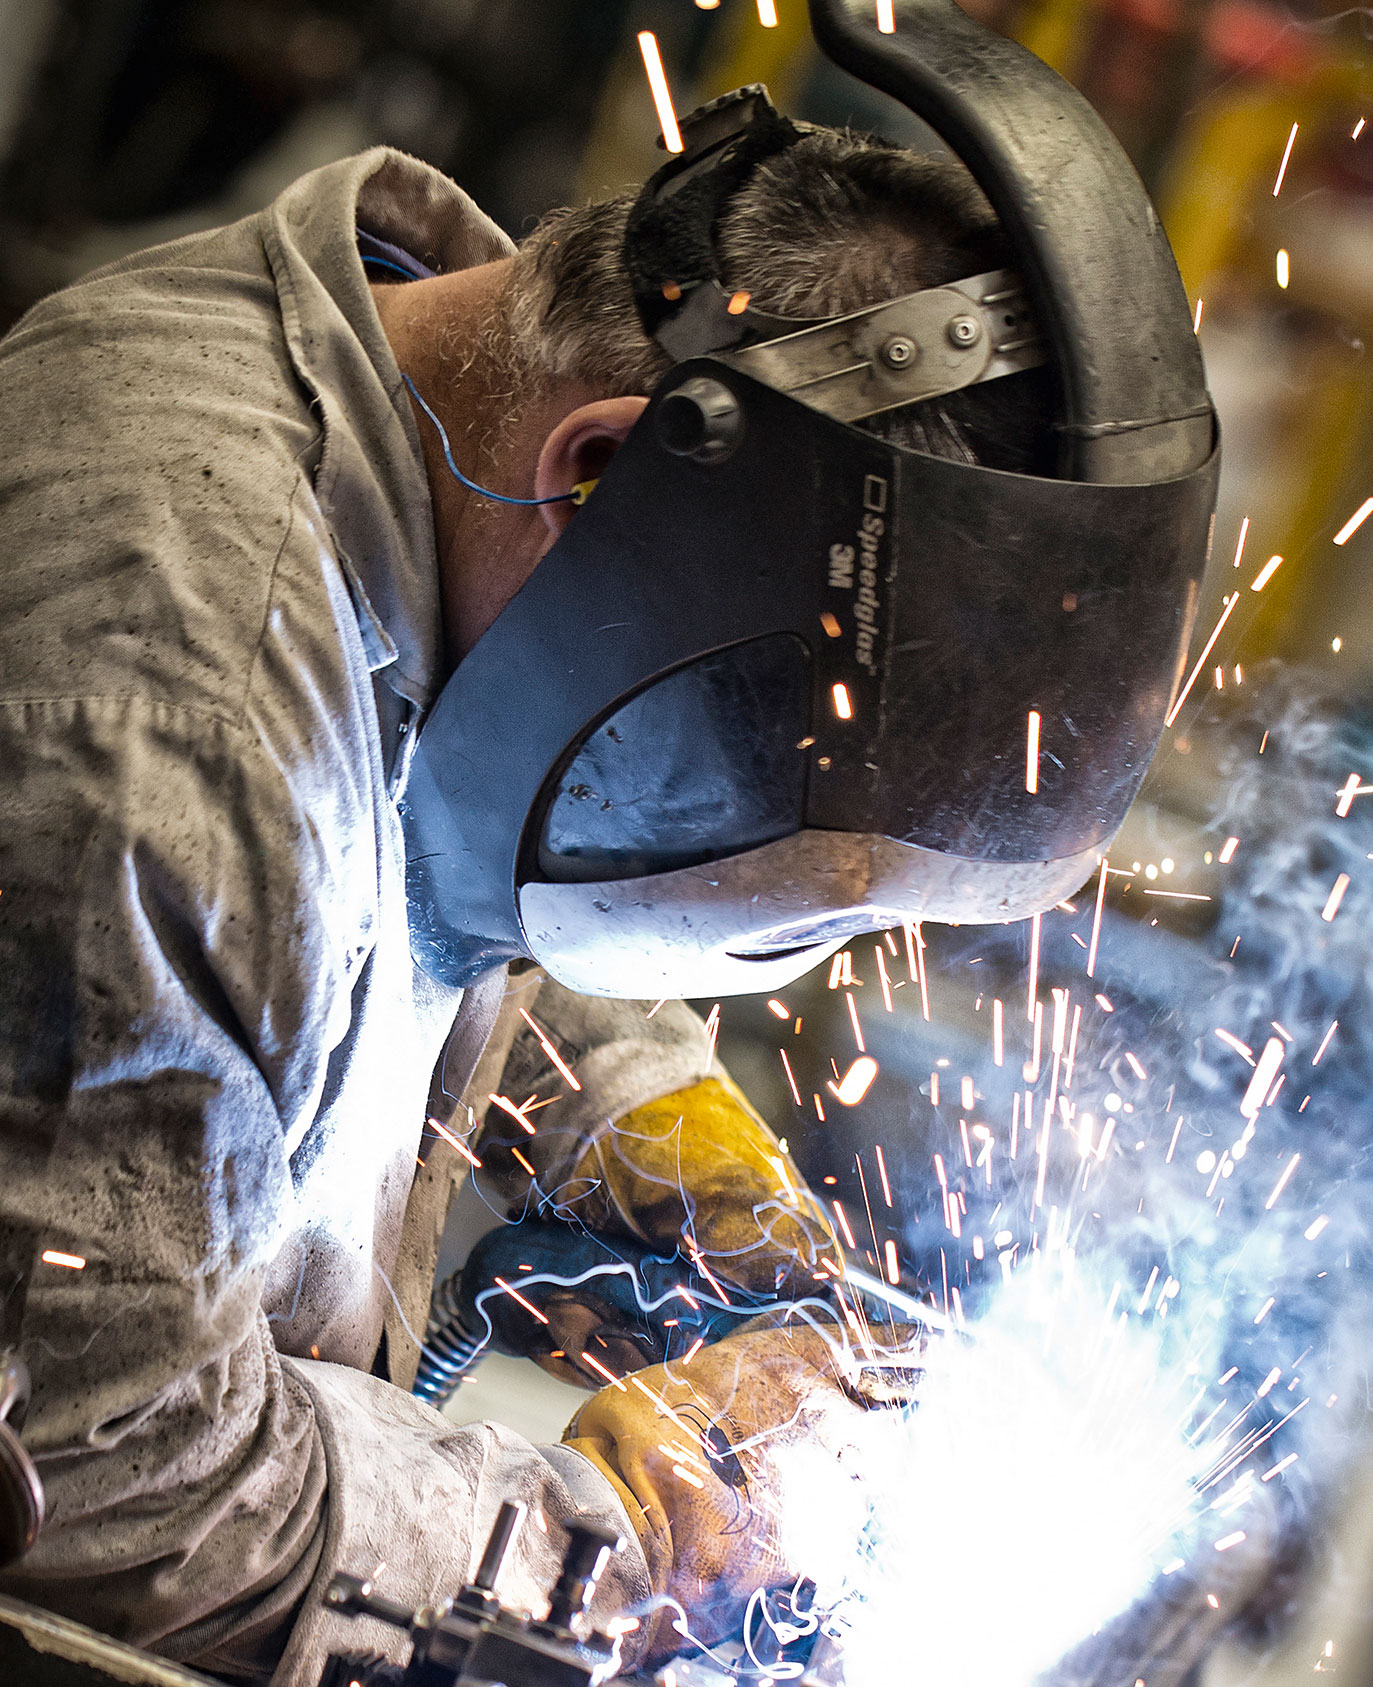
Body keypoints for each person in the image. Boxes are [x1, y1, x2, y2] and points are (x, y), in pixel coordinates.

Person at [0, 125, 1030, 1683]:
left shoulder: (449, 446)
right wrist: (626, 1537)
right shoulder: (177, 713)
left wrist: (655, 1129)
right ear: (599, 474)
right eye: (722, 795)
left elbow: (453, 846)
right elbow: (94, 1469)